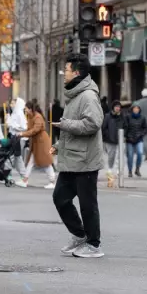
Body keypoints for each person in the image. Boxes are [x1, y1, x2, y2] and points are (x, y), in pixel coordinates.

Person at [50, 53, 104, 259]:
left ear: (77, 73)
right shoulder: (74, 95)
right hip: (72, 158)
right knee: (60, 198)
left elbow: (93, 124)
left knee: (87, 204)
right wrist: (58, 145)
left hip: (86, 160)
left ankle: (93, 243)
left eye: (67, 70)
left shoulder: (88, 96)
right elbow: (72, 127)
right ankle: (80, 235)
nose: (64, 73)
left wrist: (65, 125)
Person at [15, 101, 56, 189]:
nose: (25, 110)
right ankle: (25, 180)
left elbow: (35, 130)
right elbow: (31, 129)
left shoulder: (37, 116)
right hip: (37, 142)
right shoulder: (31, 116)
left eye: (26, 108)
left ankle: (52, 182)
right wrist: (22, 133)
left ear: (30, 109)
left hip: (42, 142)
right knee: (32, 161)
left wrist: (22, 134)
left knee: (45, 162)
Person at [101, 100, 125, 187]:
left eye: (119, 107)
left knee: (120, 156)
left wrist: (124, 135)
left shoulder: (122, 116)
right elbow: (103, 127)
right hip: (110, 140)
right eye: (116, 107)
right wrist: (106, 136)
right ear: (113, 108)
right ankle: (110, 171)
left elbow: (125, 125)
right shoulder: (108, 116)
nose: (118, 108)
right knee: (111, 156)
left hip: (120, 139)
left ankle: (119, 171)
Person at [124, 103, 147, 178]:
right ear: (132, 109)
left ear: (139, 110)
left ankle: (137, 168)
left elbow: (145, 128)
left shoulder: (142, 118)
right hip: (129, 139)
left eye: (137, 108)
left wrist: (141, 134)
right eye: (135, 108)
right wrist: (127, 136)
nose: (136, 110)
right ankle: (130, 171)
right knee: (130, 155)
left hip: (139, 138)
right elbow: (125, 127)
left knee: (140, 153)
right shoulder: (128, 117)